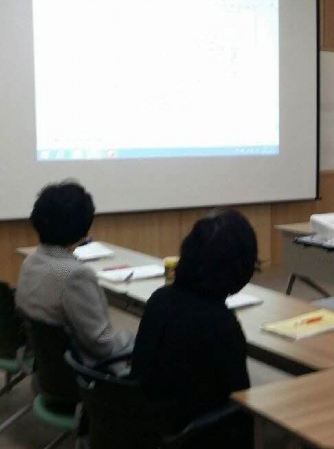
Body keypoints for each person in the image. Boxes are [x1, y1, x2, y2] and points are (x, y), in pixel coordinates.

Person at [131, 209, 258, 448]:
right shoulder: (221, 324)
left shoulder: (160, 298)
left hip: (146, 424)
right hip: (191, 435)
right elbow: (241, 401)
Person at [15, 181, 134, 366]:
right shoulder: (75, 275)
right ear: (84, 229)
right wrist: (135, 339)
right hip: (85, 374)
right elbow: (103, 345)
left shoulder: (30, 261)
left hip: (50, 370)